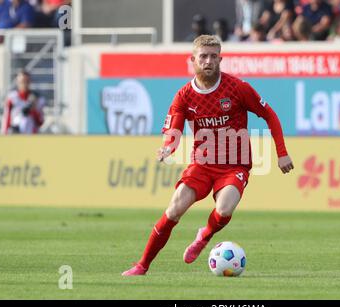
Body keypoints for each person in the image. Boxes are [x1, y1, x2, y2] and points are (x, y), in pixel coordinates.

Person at [122, 35, 294, 276]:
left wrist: (282, 153)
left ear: (220, 59)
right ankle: (142, 265)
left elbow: (270, 115)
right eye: (203, 56)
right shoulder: (184, 96)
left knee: (224, 209)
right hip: (201, 165)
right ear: (193, 60)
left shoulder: (237, 88)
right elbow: (174, 128)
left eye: (214, 56)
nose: (208, 61)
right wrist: (168, 147)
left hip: (235, 164)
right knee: (174, 209)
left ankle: (204, 235)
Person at [1, 70, 45, 134]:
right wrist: (5, 133)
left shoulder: (37, 99)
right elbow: (6, 118)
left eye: (26, 81)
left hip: (32, 135)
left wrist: (33, 109)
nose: (24, 84)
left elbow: (40, 122)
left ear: (30, 82)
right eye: (22, 81)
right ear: (17, 82)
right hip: (16, 134)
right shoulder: (12, 98)